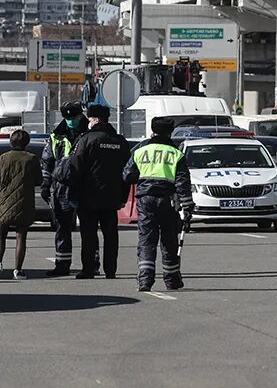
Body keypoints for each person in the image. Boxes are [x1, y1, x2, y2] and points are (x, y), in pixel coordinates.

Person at [55, 104, 131, 279]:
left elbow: (75, 168)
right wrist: (123, 196)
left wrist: (71, 189)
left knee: (88, 235)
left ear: (95, 119)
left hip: (88, 197)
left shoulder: (86, 140)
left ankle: (88, 269)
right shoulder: (119, 141)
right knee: (111, 235)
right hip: (112, 197)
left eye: (89, 119)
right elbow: (127, 172)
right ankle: (110, 270)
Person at [123, 117, 195, 292]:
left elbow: (127, 175)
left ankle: (145, 280)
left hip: (145, 199)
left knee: (146, 239)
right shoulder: (176, 153)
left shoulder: (141, 150)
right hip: (167, 200)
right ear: (170, 133)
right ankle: (172, 280)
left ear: (152, 131)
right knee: (169, 239)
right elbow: (182, 183)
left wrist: (142, 177)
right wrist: (187, 207)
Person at [41, 100, 94, 277]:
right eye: (68, 118)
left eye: (75, 117)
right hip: (62, 187)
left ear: (81, 115)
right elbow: (48, 161)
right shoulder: (57, 135)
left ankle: (91, 263)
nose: (71, 121)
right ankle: (62, 264)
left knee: (88, 228)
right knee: (62, 226)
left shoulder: (90, 133)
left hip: (85, 186)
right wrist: (46, 184)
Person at [0, 131, 42, 280]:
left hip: (3, 203)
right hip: (24, 202)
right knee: (21, 236)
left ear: (11, 142)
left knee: (1, 236)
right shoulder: (31, 159)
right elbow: (39, 180)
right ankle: (18, 270)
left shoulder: (3, 158)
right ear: (27, 143)